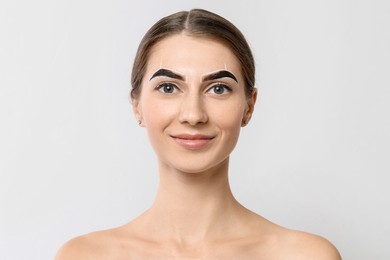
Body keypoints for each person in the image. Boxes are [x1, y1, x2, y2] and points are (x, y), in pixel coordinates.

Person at [56, 9, 341, 259]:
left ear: (249, 106)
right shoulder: (83, 256)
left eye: (218, 88)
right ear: (137, 105)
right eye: (168, 87)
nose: (193, 115)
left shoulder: (304, 256)